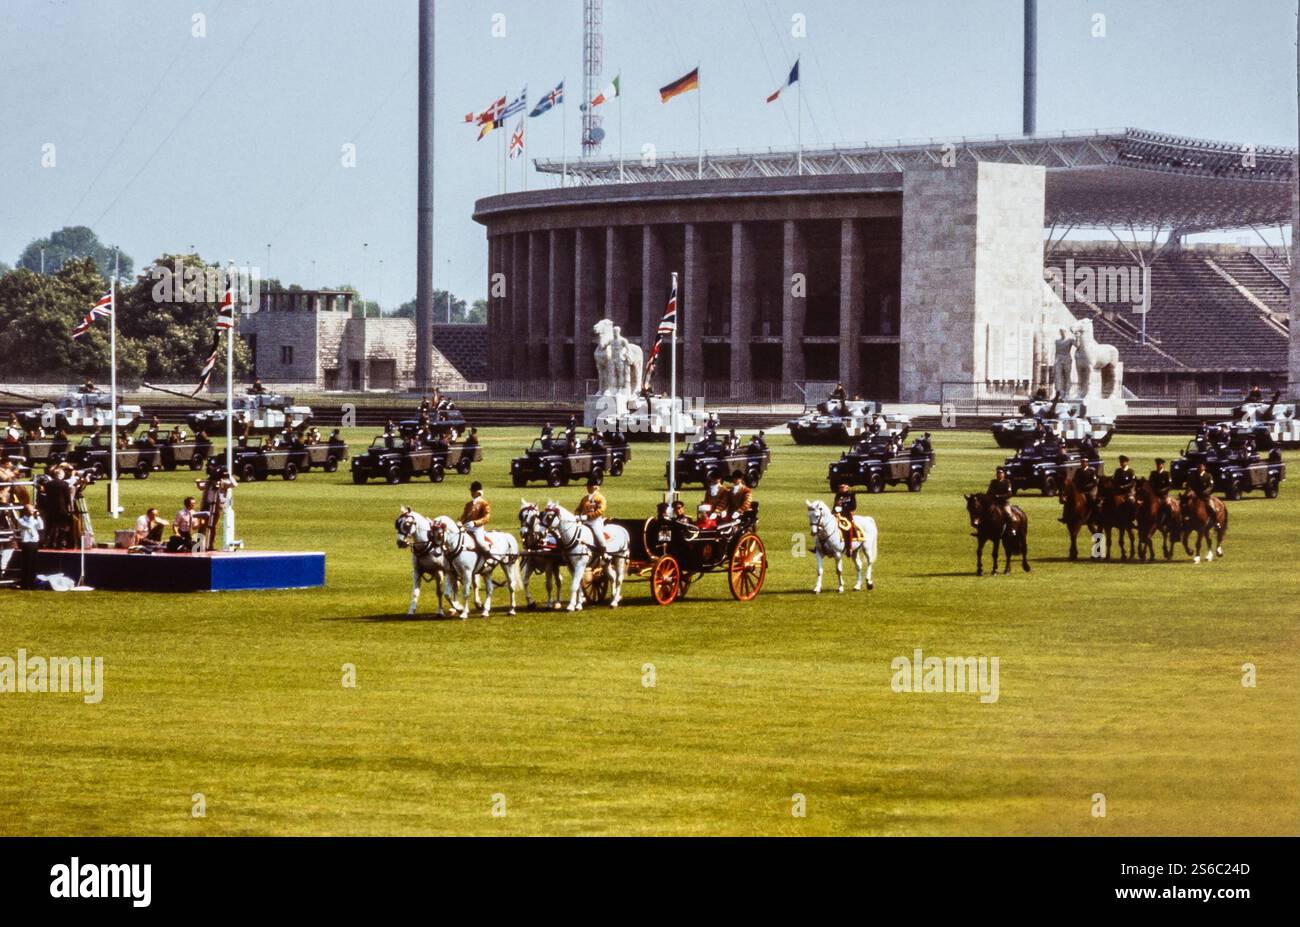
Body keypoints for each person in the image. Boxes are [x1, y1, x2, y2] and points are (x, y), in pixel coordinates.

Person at [576, 478, 607, 560]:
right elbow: (578, 509)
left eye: (590, 487)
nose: (588, 488)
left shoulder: (600, 498)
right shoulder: (585, 498)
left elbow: (601, 510)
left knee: (599, 535)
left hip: (595, 522)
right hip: (584, 521)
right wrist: (577, 516)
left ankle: (605, 553)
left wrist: (589, 516)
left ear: (595, 487)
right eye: (587, 486)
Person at [461, 481, 492, 560]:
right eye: (471, 491)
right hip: (466, 527)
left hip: (477, 528)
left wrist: (475, 523)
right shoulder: (468, 504)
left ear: (478, 493)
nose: (471, 493)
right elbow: (464, 516)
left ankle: (488, 558)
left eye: (473, 491)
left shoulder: (484, 503)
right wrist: (460, 523)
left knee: (480, 542)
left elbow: (486, 517)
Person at [16, 503, 43, 589]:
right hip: (26, 543)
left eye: (33, 509)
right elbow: (28, 526)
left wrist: (38, 517)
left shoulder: (34, 519)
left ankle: (32, 583)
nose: (32, 511)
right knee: (27, 564)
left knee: (33, 564)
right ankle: (25, 584)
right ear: (26, 511)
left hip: (34, 543)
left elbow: (41, 527)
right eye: (30, 510)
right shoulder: (21, 520)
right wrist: (33, 517)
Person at [986, 466, 1015, 534]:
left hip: (1003, 503)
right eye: (997, 473)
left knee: (1008, 514)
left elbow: (1009, 494)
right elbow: (988, 493)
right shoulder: (993, 482)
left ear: (1003, 474)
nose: (998, 474)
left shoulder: (1007, 482)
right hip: (994, 503)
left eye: (1000, 473)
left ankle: (1012, 529)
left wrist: (999, 496)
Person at [832, 482, 857, 546]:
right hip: (837, 515)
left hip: (847, 514)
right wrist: (833, 512)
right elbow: (835, 505)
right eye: (840, 487)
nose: (841, 489)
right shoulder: (838, 495)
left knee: (848, 528)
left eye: (842, 487)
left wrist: (843, 509)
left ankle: (849, 547)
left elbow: (853, 506)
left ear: (847, 487)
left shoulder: (851, 495)